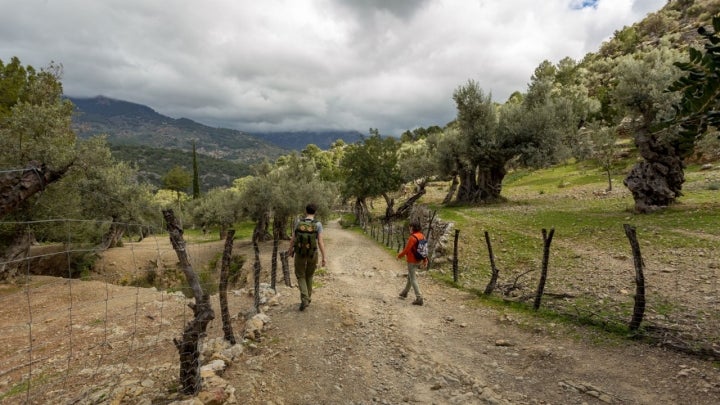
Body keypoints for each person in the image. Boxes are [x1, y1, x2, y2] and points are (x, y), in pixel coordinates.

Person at [287, 203, 326, 311]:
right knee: (309, 276)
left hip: (300, 253)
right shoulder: (318, 224)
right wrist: (324, 257)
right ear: (315, 212)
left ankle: (305, 299)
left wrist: (290, 250)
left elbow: (293, 239)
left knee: (300, 275)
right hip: (313, 254)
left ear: (306, 211)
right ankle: (307, 298)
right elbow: (320, 242)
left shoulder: (299, 222)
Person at [397, 221, 427, 306]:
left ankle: (419, 297)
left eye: (410, 227)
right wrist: (425, 260)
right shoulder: (423, 236)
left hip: (411, 260)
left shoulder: (412, 237)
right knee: (410, 277)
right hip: (419, 260)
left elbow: (406, 249)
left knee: (413, 278)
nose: (409, 228)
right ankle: (404, 292)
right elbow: (424, 250)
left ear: (413, 228)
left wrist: (399, 256)